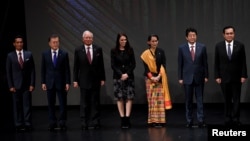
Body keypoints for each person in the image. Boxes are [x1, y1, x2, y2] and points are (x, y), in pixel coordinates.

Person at [214, 25, 247, 126]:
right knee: (227, 99)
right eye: (227, 33)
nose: (229, 35)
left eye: (231, 33)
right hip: (223, 77)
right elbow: (216, 62)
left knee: (236, 99)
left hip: (237, 77)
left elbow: (243, 62)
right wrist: (217, 76)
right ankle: (227, 118)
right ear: (223, 35)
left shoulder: (240, 45)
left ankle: (236, 118)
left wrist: (243, 75)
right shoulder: (218, 46)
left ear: (234, 34)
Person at [73, 30, 106, 130]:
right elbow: (76, 67)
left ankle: (96, 122)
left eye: (90, 37)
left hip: (95, 80)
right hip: (83, 80)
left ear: (92, 38)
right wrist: (75, 80)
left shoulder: (98, 49)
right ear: (83, 39)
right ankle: (84, 122)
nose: (88, 39)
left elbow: (101, 65)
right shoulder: (78, 50)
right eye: (86, 37)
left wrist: (103, 78)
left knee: (95, 102)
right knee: (84, 103)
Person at [178, 28, 209, 128]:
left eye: (194, 35)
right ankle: (189, 120)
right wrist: (180, 77)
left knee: (200, 100)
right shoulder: (182, 48)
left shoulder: (202, 47)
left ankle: (200, 120)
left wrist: (206, 75)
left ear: (196, 36)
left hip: (199, 77)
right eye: (190, 35)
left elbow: (205, 63)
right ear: (186, 37)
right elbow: (180, 64)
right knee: (188, 100)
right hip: (187, 77)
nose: (192, 37)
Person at [140, 34, 172, 128]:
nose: (154, 43)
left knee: (159, 100)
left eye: (156, 41)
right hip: (150, 79)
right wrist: (152, 78)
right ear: (148, 42)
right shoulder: (145, 54)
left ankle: (161, 121)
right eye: (153, 41)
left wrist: (158, 76)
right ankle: (153, 120)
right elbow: (146, 69)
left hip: (160, 78)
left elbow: (163, 65)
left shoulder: (161, 52)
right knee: (152, 100)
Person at [41, 34, 71, 131]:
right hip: (49, 82)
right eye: (53, 42)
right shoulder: (45, 54)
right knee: (51, 104)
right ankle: (52, 122)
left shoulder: (64, 53)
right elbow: (43, 69)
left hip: (61, 82)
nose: (55, 44)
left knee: (62, 103)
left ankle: (62, 122)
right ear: (49, 43)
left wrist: (67, 82)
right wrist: (43, 82)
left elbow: (67, 69)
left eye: (57, 42)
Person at [6, 35, 36, 132]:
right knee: (17, 106)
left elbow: (32, 70)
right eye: (17, 42)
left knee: (27, 105)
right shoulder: (10, 56)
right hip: (15, 86)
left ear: (23, 43)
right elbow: (8, 72)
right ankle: (18, 124)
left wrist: (32, 84)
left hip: (27, 85)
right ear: (14, 44)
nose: (19, 44)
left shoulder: (28, 54)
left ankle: (27, 123)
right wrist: (10, 85)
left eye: (21, 42)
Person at [111, 33, 136, 128]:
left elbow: (133, 64)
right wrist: (121, 74)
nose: (124, 41)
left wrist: (127, 74)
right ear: (118, 40)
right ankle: (122, 119)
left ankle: (127, 118)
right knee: (120, 98)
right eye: (122, 40)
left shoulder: (130, 50)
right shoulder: (113, 51)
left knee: (129, 97)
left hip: (129, 77)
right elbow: (113, 65)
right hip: (118, 77)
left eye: (125, 39)